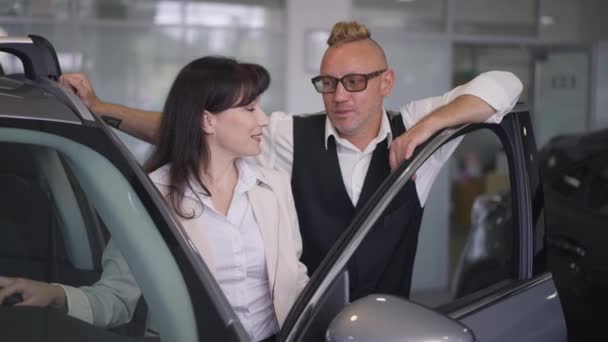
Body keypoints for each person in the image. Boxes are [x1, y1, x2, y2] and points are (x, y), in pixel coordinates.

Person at [60, 21, 522, 300]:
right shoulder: (288, 133)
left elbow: (503, 84)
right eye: (329, 83)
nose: (339, 96)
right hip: (303, 326)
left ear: (387, 82)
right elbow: (195, 128)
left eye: (356, 82)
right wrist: (104, 110)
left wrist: (427, 129)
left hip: (387, 329)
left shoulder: (420, 128)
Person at [0, 56, 308, 342]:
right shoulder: (152, 196)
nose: (264, 120)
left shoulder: (274, 186)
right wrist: (54, 295)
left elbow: (294, 281)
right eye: (250, 108)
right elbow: (116, 300)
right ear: (207, 121)